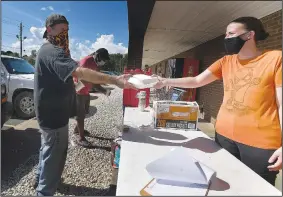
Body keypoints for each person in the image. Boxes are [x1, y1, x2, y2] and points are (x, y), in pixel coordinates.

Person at [154, 16, 282, 186]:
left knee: (256, 188)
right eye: (225, 35)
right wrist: (165, 81)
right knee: (227, 182)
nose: (226, 38)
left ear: (249, 35)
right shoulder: (225, 61)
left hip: (260, 144)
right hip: (224, 136)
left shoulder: (275, 59)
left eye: (231, 34)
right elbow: (197, 81)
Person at [34, 14, 134, 196]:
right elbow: (79, 72)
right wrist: (115, 80)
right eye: (62, 30)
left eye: (67, 31)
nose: (65, 35)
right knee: (54, 157)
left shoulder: (49, 51)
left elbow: (67, 79)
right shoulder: (52, 51)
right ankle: (45, 189)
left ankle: (43, 181)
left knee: (46, 150)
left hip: (49, 114)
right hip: (53, 117)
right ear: (49, 29)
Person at [73, 48, 111, 147]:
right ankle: (80, 139)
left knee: (85, 112)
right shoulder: (86, 61)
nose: (103, 62)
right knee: (80, 115)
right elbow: (82, 79)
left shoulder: (95, 65)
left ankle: (77, 130)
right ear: (97, 55)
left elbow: (95, 81)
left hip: (85, 91)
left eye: (105, 60)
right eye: (103, 59)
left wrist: (103, 90)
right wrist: (103, 90)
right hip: (78, 91)